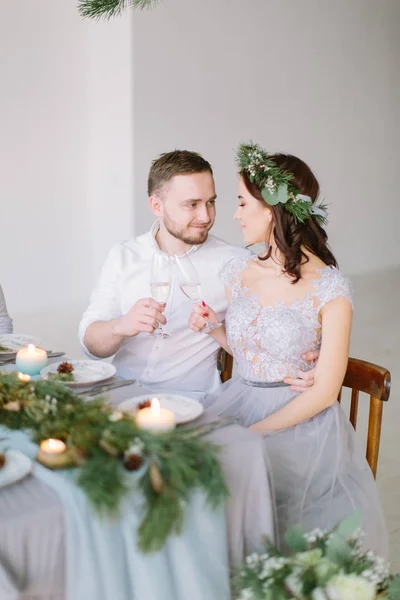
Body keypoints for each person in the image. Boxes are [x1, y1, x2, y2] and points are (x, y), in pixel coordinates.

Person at [189, 143, 388, 556]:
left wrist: (251, 435)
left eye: (242, 202)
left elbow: (323, 390)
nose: (235, 214)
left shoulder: (330, 287)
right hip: (239, 399)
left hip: (301, 423)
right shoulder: (238, 271)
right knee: (194, 467)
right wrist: (215, 330)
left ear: (272, 209)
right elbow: (253, 352)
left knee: (240, 475)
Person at [79, 150, 317, 396]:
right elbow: (90, 344)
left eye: (211, 202)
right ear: (156, 205)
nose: (205, 216)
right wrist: (121, 325)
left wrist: (316, 359)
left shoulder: (236, 263)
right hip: (120, 394)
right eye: (192, 205)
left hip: (194, 403)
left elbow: (287, 324)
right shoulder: (123, 256)